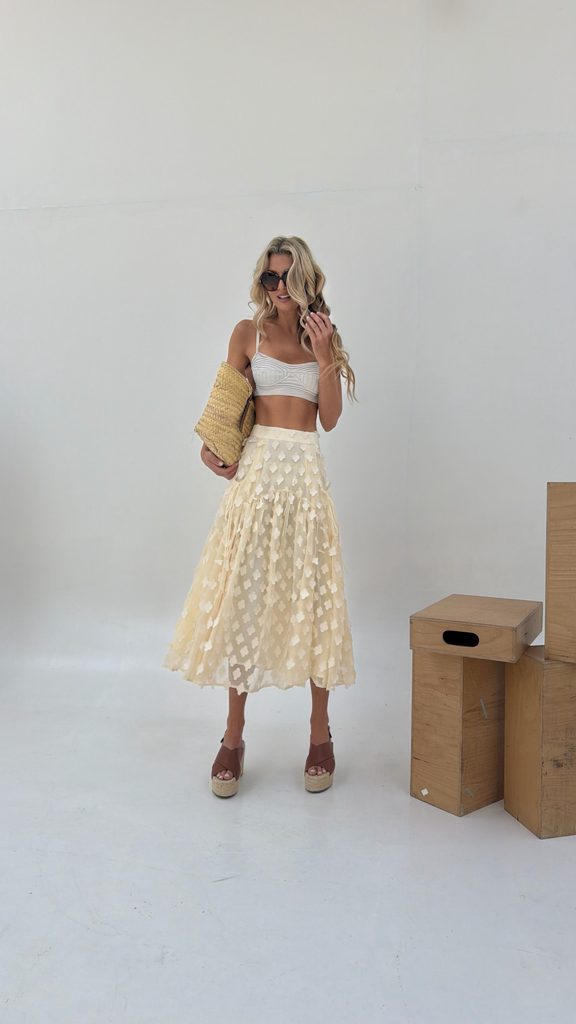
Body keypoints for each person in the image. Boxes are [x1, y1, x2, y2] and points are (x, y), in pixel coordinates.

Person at [163, 235, 357, 796]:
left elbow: (330, 420)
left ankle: (319, 733)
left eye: (286, 277)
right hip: (256, 479)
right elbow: (225, 405)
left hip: (305, 479)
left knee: (315, 600)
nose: (277, 287)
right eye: (269, 277)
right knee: (244, 600)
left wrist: (325, 356)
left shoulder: (325, 337)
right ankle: (232, 737)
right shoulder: (247, 333)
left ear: (305, 280)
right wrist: (210, 449)